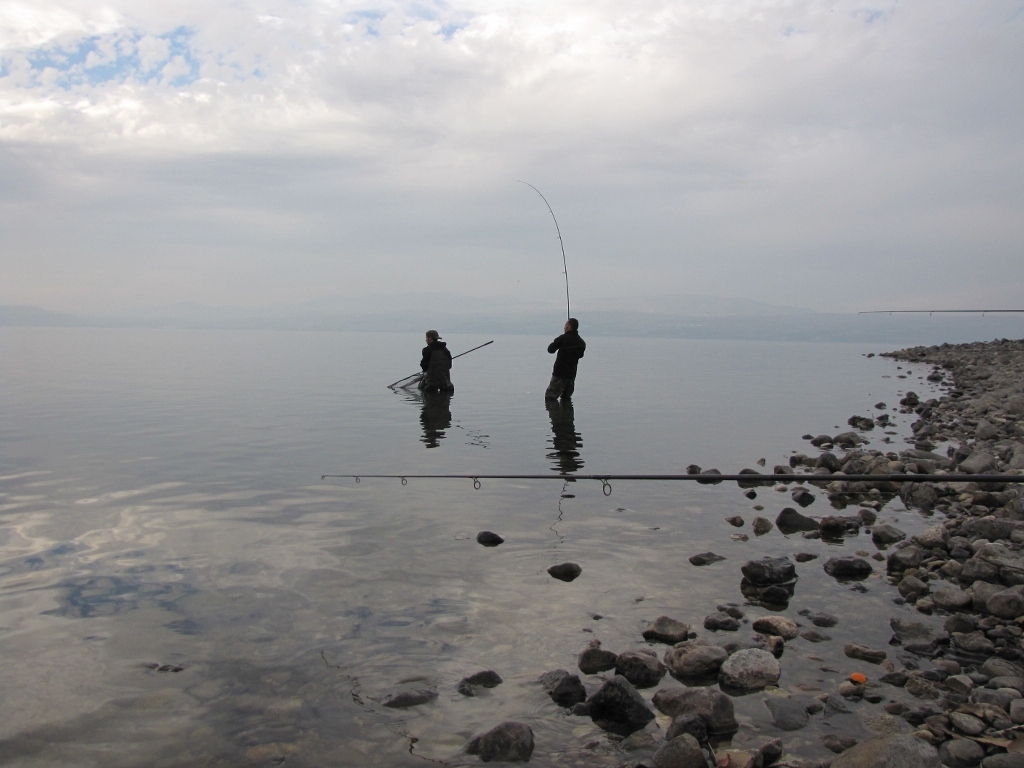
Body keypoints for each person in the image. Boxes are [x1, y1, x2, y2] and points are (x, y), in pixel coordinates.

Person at [545, 318, 585, 400]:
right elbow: (581, 355)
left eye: (565, 325)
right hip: (571, 375)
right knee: (566, 399)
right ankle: (566, 412)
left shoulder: (563, 338)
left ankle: (554, 412)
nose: (564, 327)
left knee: (550, 398)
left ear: (569, 326)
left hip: (559, 373)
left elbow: (550, 349)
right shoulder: (581, 342)